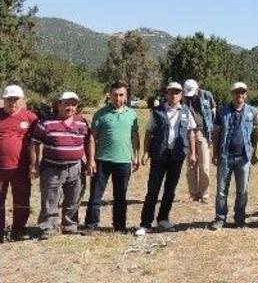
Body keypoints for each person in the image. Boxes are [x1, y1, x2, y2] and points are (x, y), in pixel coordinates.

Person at [135, 82, 196, 236]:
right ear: (166, 94)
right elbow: (149, 132)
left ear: (181, 95)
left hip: (177, 156)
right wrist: (146, 152)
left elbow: (190, 133)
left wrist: (193, 153)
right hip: (159, 155)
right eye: (171, 92)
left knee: (170, 190)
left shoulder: (186, 111)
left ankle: (163, 218)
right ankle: (145, 223)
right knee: (153, 190)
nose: (174, 95)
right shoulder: (157, 111)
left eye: (177, 92)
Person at [29, 92, 88, 239]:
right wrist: (34, 165)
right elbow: (34, 143)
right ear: (58, 104)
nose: (70, 107)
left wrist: (90, 160)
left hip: (75, 166)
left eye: (73, 104)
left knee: (73, 198)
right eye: (66, 103)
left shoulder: (81, 122)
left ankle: (69, 225)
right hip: (51, 167)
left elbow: (89, 140)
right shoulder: (46, 123)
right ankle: (47, 227)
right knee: (50, 198)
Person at [83, 82, 140, 234]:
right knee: (96, 195)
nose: (118, 98)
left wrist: (136, 156)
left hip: (123, 161)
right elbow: (91, 139)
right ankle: (91, 225)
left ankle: (119, 226)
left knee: (120, 196)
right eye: (115, 94)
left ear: (126, 97)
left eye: (121, 95)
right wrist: (91, 160)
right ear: (110, 96)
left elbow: (135, 137)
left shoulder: (132, 115)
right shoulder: (100, 114)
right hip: (102, 160)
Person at [210, 82, 258, 230]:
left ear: (246, 94)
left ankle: (240, 219)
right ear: (232, 94)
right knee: (221, 190)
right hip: (225, 156)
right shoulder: (222, 111)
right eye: (237, 92)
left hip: (244, 157)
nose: (240, 95)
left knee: (242, 190)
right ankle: (220, 218)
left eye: (242, 92)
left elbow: (255, 135)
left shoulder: (252, 112)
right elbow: (216, 134)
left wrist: (254, 153)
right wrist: (216, 153)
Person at [0, 84, 39, 242]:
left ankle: (19, 230)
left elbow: (36, 143)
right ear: (3, 100)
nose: (12, 103)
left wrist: (34, 165)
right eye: (9, 99)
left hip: (21, 168)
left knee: (22, 201)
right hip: (0, 168)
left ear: (22, 100)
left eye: (15, 99)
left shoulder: (30, 118)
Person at [182, 79, 216, 203]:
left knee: (204, 165)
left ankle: (204, 194)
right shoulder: (183, 97)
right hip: (188, 132)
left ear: (197, 88)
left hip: (203, 132)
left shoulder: (207, 95)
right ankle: (194, 193)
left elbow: (213, 111)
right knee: (191, 164)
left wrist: (211, 131)